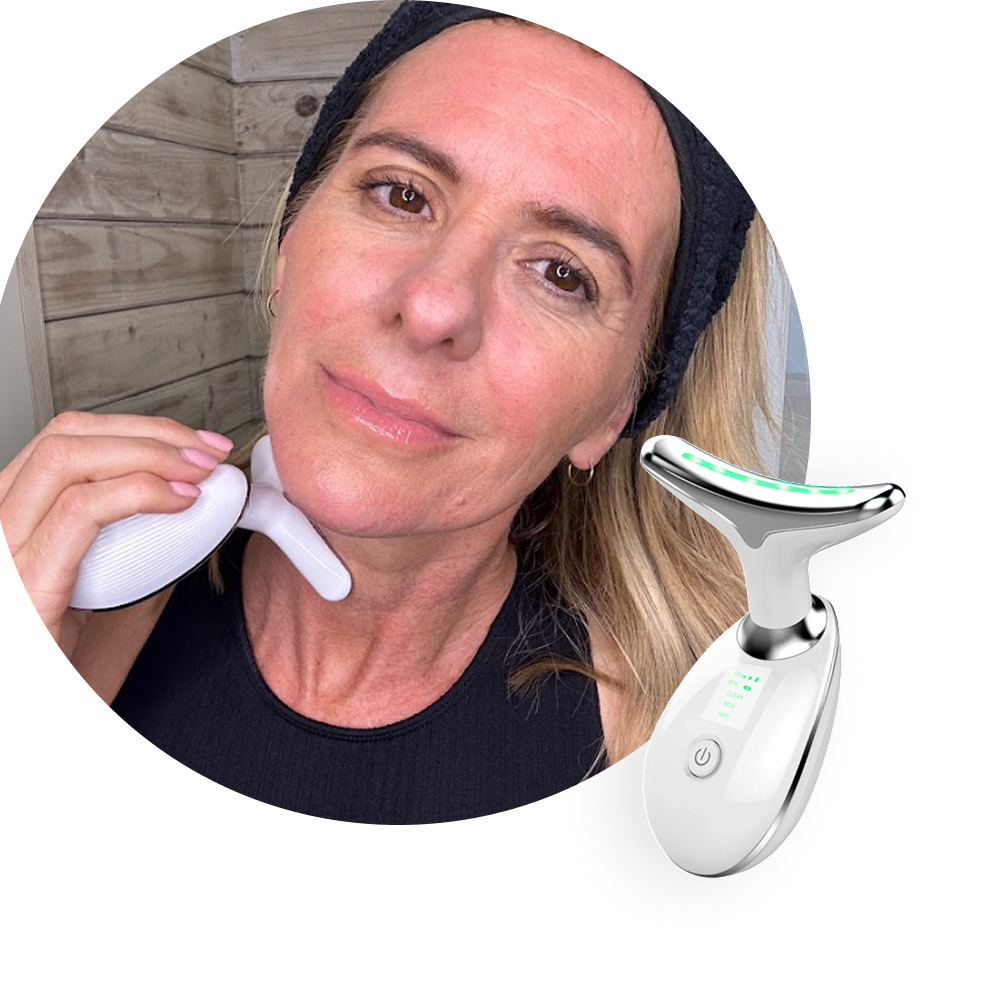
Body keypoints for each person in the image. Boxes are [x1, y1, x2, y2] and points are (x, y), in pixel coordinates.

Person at [0, 3, 780, 823]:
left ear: (614, 411)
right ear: (289, 245)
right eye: (401, 193)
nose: (434, 303)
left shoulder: (682, 751)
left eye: (561, 273)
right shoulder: (88, 612)